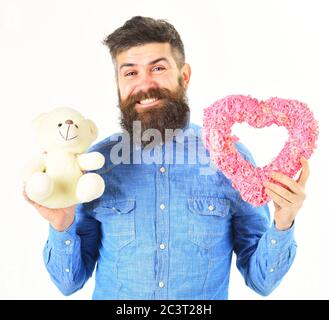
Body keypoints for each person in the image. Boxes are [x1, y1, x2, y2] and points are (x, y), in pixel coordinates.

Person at [23, 16, 309, 300]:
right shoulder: (97, 165)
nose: (145, 84)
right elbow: (68, 283)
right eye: (131, 72)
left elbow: (262, 282)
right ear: (118, 82)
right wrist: (61, 225)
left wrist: (283, 222)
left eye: (158, 68)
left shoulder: (229, 159)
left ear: (184, 76)